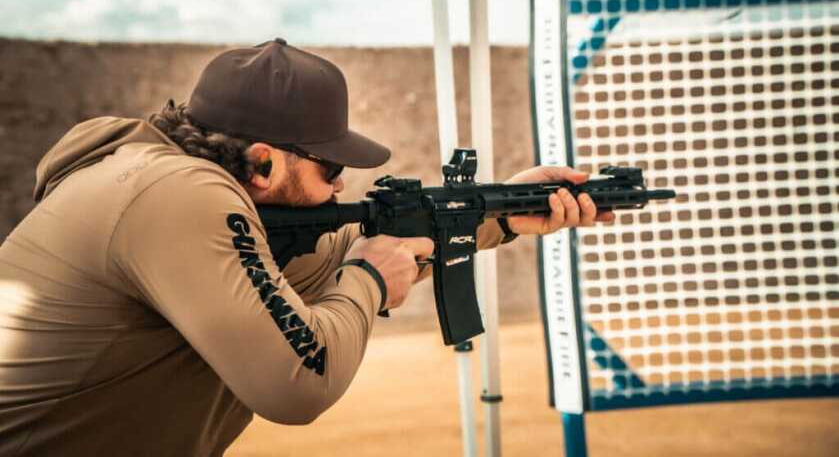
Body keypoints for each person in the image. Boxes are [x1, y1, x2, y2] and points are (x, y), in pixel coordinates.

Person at [0, 38, 613, 455]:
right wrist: (369, 283)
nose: (341, 185)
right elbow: (297, 383)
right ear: (263, 164)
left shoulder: (159, 184)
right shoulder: (182, 196)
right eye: (330, 168)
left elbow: (355, 245)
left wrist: (504, 212)